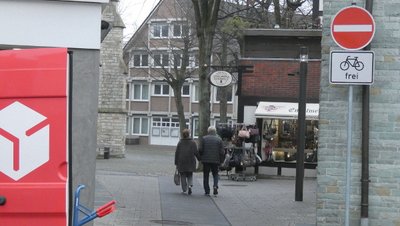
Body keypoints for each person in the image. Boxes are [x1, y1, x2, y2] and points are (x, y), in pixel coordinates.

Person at [200, 126, 225, 196]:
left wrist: (201, 157)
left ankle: (207, 190)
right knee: (215, 174)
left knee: (206, 175)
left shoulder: (204, 139)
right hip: (216, 160)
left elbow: (200, 149)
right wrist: (221, 160)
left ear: (208, 131)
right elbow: (222, 152)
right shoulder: (219, 139)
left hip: (206, 160)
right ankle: (215, 186)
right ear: (215, 131)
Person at [175, 129, 200, 195]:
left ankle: (184, 189)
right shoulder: (193, 142)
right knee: (189, 174)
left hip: (181, 161)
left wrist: (176, 162)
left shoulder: (180, 142)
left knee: (183, 175)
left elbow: (177, 153)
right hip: (190, 161)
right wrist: (199, 159)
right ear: (189, 134)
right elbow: (196, 152)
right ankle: (190, 185)